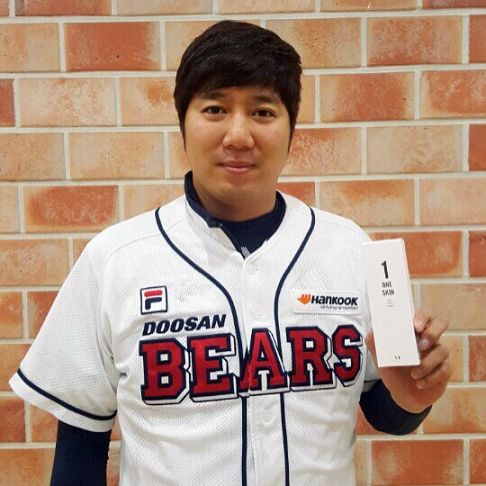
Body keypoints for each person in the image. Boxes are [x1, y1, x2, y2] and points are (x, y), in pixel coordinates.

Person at [10, 20, 451, 485]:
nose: (238, 135)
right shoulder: (115, 260)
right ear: (183, 124)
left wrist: (415, 395)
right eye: (215, 109)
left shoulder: (349, 248)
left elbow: (388, 411)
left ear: (291, 129)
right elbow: (80, 449)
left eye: (262, 111)